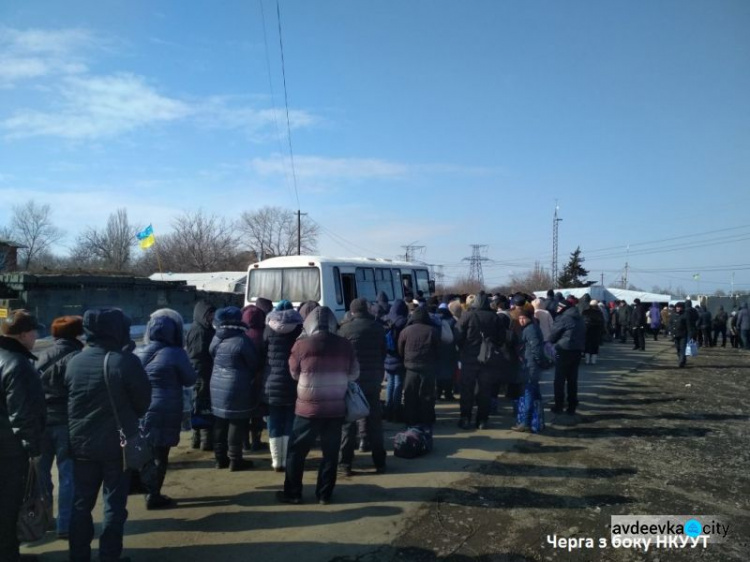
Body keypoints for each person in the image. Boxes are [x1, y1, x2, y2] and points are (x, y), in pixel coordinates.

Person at [66, 308, 151, 562]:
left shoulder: (74, 361)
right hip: (117, 446)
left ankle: (78, 556)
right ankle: (109, 556)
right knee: (114, 504)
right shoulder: (124, 361)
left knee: (81, 504)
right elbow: (142, 404)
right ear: (116, 330)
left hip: (80, 444)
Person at [277, 306, 359, 505]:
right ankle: (324, 494)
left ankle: (293, 493)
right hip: (335, 408)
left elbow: (294, 373)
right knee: (330, 453)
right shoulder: (345, 345)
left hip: (307, 408)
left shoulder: (301, 345)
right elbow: (354, 373)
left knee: (296, 452)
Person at [135, 309, 196, 509]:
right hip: (166, 407)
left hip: (142, 407)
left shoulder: (139, 351)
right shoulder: (176, 353)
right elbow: (190, 379)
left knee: (147, 451)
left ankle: (146, 490)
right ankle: (153, 495)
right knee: (161, 454)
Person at [0, 310, 46, 562]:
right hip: (10, 451)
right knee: (9, 505)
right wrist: (33, 449)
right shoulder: (17, 364)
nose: (37, 336)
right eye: (34, 331)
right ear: (22, 335)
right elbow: (22, 414)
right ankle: (8, 555)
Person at [35, 315, 84, 539]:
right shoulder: (76, 356)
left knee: (42, 474)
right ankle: (66, 523)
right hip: (66, 421)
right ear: (76, 334)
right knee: (68, 475)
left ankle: (44, 520)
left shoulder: (41, 355)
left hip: (41, 421)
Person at [338, 298, 387, 475]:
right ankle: (380, 462)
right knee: (374, 421)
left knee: (348, 423)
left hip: (351, 382)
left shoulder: (344, 329)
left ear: (352, 312)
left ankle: (345, 464)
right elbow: (383, 353)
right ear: (367, 309)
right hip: (373, 379)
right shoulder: (378, 328)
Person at [210, 307, 258, 471]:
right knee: (236, 421)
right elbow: (253, 363)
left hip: (216, 383)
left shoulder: (216, 338)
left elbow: (212, 354)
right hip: (238, 385)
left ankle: (219, 458)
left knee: (220, 421)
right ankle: (235, 459)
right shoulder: (242, 340)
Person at [262, 300, 303, 472]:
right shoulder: (299, 329)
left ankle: (276, 461)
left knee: (273, 420)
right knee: (289, 420)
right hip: (293, 382)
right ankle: (286, 459)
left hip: (272, 381)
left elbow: (262, 352)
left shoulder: (268, 329)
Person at [456, 291, 507, 430]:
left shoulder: (467, 316)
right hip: (488, 359)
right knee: (485, 391)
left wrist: (463, 349)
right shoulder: (494, 317)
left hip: (469, 358)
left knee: (467, 390)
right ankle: (482, 420)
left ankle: (465, 418)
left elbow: (458, 335)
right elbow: (502, 337)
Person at [398, 305, 440, 430]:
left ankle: (411, 420)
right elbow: (438, 349)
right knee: (427, 395)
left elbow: (400, 349)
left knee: (410, 395)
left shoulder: (405, 331)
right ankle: (427, 420)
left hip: (411, 368)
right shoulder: (433, 331)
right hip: (428, 368)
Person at [185, 300, 216, 451]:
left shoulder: (201, 328)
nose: (212, 316)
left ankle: (197, 439)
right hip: (202, 372)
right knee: (203, 405)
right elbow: (197, 354)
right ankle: (205, 441)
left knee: (198, 404)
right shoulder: (200, 331)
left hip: (201, 372)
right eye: (209, 313)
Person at [549, 299, 586, 415]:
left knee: (559, 380)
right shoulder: (579, 318)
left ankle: (559, 405)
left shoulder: (564, 318)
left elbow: (553, 335)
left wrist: (551, 342)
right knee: (572, 380)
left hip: (564, 350)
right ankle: (572, 405)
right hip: (577, 350)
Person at [512, 309, 545, 433]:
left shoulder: (530, 329)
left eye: (523, 318)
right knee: (535, 394)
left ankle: (526, 422)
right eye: (519, 318)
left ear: (529, 318)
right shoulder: (532, 328)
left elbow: (536, 348)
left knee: (528, 393)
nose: (521, 321)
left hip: (531, 366)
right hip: (532, 364)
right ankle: (538, 420)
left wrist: (539, 361)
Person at [241, 304, 269, 453]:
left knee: (245, 412)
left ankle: (245, 443)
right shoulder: (264, 334)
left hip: (244, 379)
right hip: (260, 378)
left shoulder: (242, 335)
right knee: (258, 412)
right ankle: (256, 441)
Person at [383, 299, 409, 422]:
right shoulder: (403, 321)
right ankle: (396, 409)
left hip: (388, 357)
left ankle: (388, 408)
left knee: (390, 384)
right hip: (399, 356)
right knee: (398, 384)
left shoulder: (386, 319)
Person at [434, 303, 458, 401]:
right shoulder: (452, 320)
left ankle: (437, 393)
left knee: (437, 372)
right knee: (449, 373)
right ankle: (448, 394)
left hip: (437, 350)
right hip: (450, 350)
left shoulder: (434, 320)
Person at [582, 300, 604, 364]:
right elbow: (602, 323)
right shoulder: (599, 313)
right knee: (595, 346)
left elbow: (582, 321)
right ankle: (593, 360)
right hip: (596, 332)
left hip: (587, 331)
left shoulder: (585, 312)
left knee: (587, 346)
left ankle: (587, 360)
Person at [671, 302, 693, 368]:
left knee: (682, 348)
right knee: (678, 348)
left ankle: (681, 361)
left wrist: (690, 333)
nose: (678, 308)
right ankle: (682, 359)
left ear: (682, 308)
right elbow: (670, 323)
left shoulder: (685, 315)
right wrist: (670, 330)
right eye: (677, 307)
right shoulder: (673, 314)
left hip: (683, 334)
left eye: (679, 307)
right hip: (675, 334)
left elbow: (688, 325)